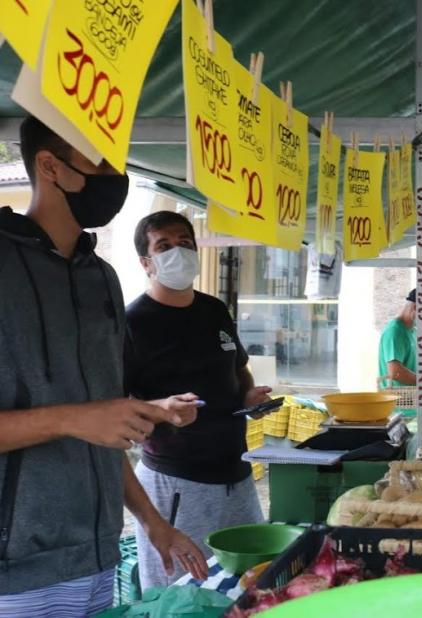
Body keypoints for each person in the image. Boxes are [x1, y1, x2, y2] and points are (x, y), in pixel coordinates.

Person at [0, 117, 207, 617]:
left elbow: (102, 426)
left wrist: (153, 523)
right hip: (15, 574)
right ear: (49, 166)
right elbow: (85, 418)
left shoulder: (103, 279)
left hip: (96, 560)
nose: (115, 177)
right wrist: (73, 418)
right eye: (101, 162)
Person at [125, 211, 272, 589]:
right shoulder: (131, 323)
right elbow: (116, 405)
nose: (178, 252)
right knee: (181, 597)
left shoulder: (215, 310)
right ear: (146, 262)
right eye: (164, 246)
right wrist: (161, 410)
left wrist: (248, 395)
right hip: (176, 483)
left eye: (185, 242)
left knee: (247, 588)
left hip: (238, 477)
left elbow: (238, 369)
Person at [378, 289, 417, 387]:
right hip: (397, 400)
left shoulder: (413, 331)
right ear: (416, 307)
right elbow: (396, 373)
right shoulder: (395, 332)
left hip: (410, 397)